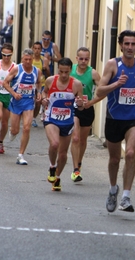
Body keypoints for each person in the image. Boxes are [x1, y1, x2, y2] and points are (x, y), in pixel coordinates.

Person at [96, 30, 135, 213]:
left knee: (129, 154)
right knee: (114, 160)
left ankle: (126, 197)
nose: (129, 47)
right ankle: (113, 190)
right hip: (114, 118)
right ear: (121, 45)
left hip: (134, 117)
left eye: (133, 44)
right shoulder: (113, 65)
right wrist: (116, 84)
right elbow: (99, 91)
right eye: (126, 44)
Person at [41, 57, 83, 191]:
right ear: (58, 70)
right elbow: (44, 92)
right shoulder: (50, 80)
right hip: (51, 118)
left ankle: (57, 177)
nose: (64, 75)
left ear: (71, 70)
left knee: (63, 154)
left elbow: (80, 106)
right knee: (54, 144)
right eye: (61, 72)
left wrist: (81, 104)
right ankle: (52, 167)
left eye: (66, 72)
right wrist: (43, 99)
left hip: (67, 121)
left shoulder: (76, 84)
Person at [2, 48, 42, 165]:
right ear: (22, 59)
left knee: (27, 128)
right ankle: (12, 131)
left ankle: (21, 155)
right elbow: (5, 83)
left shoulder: (37, 71)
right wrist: (14, 93)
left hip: (28, 102)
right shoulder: (16, 69)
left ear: (33, 59)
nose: (28, 62)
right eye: (26, 59)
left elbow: (39, 82)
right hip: (16, 102)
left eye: (30, 59)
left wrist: (38, 92)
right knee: (15, 130)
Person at [69, 47, 101, 182]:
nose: (83, 61)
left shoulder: (93, 73)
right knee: (75, 138)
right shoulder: (70, 70)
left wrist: (92, 102)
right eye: (81, 58)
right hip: (72, 107)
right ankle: (75, 170)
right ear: (76, 58)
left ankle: (79, 162)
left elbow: (102, 90)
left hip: (87, 108)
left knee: (82, 140)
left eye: (86, 59)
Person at [31, 41, 50, 127]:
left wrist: (46, 69)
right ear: (32, 49)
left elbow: (49, 74)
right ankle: (29, 117)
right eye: (35, 48)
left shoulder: (44, 60)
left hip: (41, 84)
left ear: (41, 49)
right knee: (31, 102)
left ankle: (34, 118)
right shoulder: (29, 59)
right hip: (30, 84)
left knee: (38, 102)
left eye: (39, 49)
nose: (37, 51)